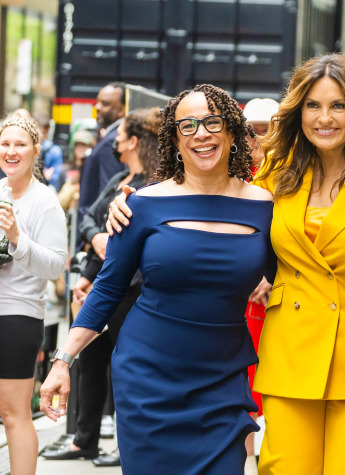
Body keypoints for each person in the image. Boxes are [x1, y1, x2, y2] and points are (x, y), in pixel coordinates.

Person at [105, 55, 345, 475]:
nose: (324, 118)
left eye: (338, 105)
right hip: (292, 352)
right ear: (297, 111)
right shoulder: (274, 174)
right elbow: (211, 194)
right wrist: (132, 201)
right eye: (313, 105)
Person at [40, 84, 274, 474]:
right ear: (174, 140)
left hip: (223, 381)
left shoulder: (265, 207)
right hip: (149, 378)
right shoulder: (140, 205)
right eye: (188, 126)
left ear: (232, 132)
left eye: (213, 122)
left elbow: (291, 279)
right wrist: (63, 360)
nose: (201, 133)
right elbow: (109, 288)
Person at [41, 108, 163, 467]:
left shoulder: (151, 187)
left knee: (123, 368)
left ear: (135, 141)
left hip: (132, 290)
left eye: (120, 136)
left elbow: (121, 241)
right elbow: (92, 216)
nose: (114, 142)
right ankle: (85, 439)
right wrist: (95, 242)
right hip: (103, 282)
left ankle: (125, 446)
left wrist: (99, 243)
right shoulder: (123, 179)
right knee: (89, 362)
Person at [0, 114, 67, 475]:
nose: (11, 151)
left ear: (35, 151)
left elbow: (57, 266)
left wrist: (16, 239)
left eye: (19, 144)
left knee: (13, 413)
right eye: (5, 144)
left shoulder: (45, 201)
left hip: (17, 315)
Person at [242, 97, 279, 474]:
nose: (258, 137)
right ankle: (247, 459)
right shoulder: (232, 170)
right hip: (240, 300)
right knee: (244, 384)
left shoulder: (293, 172)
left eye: (267, 128)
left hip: (282, 297)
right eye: (251, 128)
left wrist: (271, 275)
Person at [76, 82, 126, 248]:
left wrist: (93, 237)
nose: (97, 107)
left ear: (122, 110)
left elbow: (108, 193)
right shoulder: (110, 137)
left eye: (105, 104)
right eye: (98, 101)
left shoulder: (112, 142)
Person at [34, 114, 64, 190]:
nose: (40, 136)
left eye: (43, 133)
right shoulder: (26, 148)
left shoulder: (54, 150)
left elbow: (56, 177)